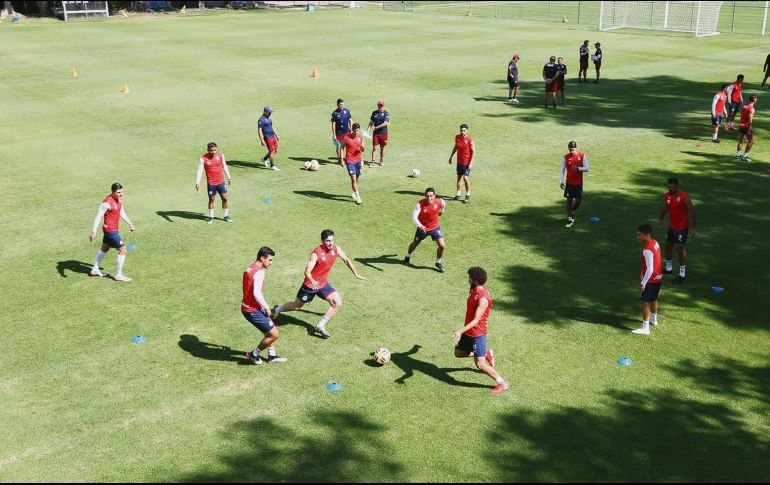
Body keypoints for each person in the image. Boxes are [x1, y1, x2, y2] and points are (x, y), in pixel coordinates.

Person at [273, 229, 366, 339]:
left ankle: (320, 325)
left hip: (323, 284)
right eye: (327, 241)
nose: (330, 243)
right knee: (296, 306)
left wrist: (356, 274)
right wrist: (312, 281)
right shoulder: (316, 253)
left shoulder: (336, 249)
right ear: (322, 241)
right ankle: (277, 310)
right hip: (310, 285)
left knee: (337, 303)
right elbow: (307, 271)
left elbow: (346, 259)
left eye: (332, 240)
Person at [453, 267, 509, 395]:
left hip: (477, 334)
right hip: (469, 332)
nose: (468, 280)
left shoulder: (483, 299)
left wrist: (460, 331)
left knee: (480, 364)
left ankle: (502, 383)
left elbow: (476, 320)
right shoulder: (474, 290)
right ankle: (485, 352)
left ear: (476, 280)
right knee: (458, 353)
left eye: (470, 278)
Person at [241, 246, 288, 365]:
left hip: (250, 307)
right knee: (274, 334)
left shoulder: (249, 268)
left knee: (269, 332)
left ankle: (272, 356)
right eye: (270, 260)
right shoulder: (260, 272)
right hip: (252, 310)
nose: (271, 263)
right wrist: (267, 307)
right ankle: (253, 354)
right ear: (262, 258)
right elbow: (256, 293)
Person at [89, 182, 135, 282]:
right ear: (113, 192)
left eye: (122, 192)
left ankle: (95, 269)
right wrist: (94, 231)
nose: (121, 194)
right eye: (118, 192)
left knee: (105, 248)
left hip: (111, 229)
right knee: (123, 251)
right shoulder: (106, 202)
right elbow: (98, 216)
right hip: (110, 230)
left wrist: (129, 223)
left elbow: (121, 211)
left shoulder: (119, 199)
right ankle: (118, 275)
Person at [657, 178, 696, 285]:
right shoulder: (667, 196)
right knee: (668, 245)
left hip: (682, 228)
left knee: (680, 248)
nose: (670, 189)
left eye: (672, 187)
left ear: (677, 187)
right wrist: (660, 219)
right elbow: (665, 207)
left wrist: (692, 227)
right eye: (668, 187)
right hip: (672, 227)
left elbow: (692, 211)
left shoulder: (684, 197)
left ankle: (682, 274)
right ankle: (668, 268)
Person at [404, 187, 447, 273]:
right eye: (427, 196)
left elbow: (443, 204)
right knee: (415, 244)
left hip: (435, 227)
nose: (429, 198)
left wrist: (442, 211)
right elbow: (414, 217)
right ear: (425, 196)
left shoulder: (440, 201)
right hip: (423, 228)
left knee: (442, 246)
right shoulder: (420, 204)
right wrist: (420, 226)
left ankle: (438, 262)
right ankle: (407, 256)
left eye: (431, 196)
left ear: (434, 196)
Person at [633, 225, 663, 336]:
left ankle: (645, 328)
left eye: (640, 235)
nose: (638, 237)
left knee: (645, 302)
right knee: (654, 299)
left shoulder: (647, 250)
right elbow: (655, 261)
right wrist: (643, 270)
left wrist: (643, 283)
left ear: (646, 234)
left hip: (650, 280)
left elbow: (650, 268)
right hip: (658, 277)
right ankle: (654, 320)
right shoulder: (655, 243)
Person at [195, 142, 232, 224]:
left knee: (225, 198)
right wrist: (197, 182)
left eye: (215, 150)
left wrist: (228, 177)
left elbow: (224, 166)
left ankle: (226, 215)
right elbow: (200, 171)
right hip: (211, 183)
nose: (213, 152)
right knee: (212, 199)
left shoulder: (220, 155)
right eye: (211, 150)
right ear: (208, 150)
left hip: (221, 182)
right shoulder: (203, 159)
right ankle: (211, 217)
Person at [559, 141, 590, 228]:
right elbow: (562, 170)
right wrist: (561, 181)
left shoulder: (582, 156)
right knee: (569, 200)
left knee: (578, 201)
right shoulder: (565, 158)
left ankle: (571, 211)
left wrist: (578, 169)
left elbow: (587, 168)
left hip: (578, 183)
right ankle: (570, 218)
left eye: (573, 149)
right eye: (569, 150)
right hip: (569, 183)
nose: (571, 152)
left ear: (576, 148)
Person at [448, 124, 475, 203]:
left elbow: (473, 152)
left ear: (467, 130)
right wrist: (451, 157)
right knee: (459, 177)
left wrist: (471, 163)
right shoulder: (458, 137)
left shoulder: (470, 140)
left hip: (467, 163)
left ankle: (467, 195)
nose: (462, 132)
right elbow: (456, 147)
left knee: (465, 178)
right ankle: (458, 194)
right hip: (459, 162)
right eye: (461, 130)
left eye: (464, 130)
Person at [341, 122, 365, 204]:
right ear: (352, 130)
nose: (356, 132)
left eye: (358, 130)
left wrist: (362, 148)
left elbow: (362, 149)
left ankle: (353, 191)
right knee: (353, 178)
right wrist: (341, 159)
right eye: (355, 130)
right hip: (350, 161)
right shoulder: (346, 137)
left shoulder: (361, 137)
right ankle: (358, 196)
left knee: (357, 179)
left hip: (358, 160)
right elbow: (341, 148)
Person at [258, 106, 280, 171]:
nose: (270, 113)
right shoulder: (261, 120)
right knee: (272, 151)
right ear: (265, 112)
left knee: (275, 150)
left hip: (272, 136)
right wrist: (262, 140)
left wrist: (276, 134)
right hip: (268, 137)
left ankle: (264, 159)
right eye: (269, 112)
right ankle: (272, 165)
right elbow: (259, 130)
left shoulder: (269, 118)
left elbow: (272, 126)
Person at [368, 100, 390, 166]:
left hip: (383, 133)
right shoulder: (374, 113)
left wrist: (376, 127)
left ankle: (382, 160)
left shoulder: (386, 113)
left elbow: (385, 123)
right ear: (377, 105)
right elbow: (371, 122)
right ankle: (373, 162)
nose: (381, 106)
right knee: (375, 148)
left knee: (383, 148)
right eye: (379, 105)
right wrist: (368, 129)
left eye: (382, 105)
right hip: (376, 134)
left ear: (383, 106)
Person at [736, 94, 757, 161]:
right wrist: (749, 128)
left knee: (741, 140)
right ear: (755, 100)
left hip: (741, 125)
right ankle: (744, 156)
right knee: (751, 141)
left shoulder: (745, 106)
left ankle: (738, 154)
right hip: (746, 126)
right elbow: (750, 119)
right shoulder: (751, 108)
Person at [331, 98, 352, 163]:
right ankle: (340, 159)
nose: (342, 106)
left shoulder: (347, 111)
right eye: (340, 104)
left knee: (348, 146)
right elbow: (333, 124)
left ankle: (347, 158)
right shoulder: (334, 113)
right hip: (338, 133)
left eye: (342, 104)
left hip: (347, 132)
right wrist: (334, 135)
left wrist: (351, 129)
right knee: (338, 146)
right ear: (337, 105)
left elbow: (350, 120)